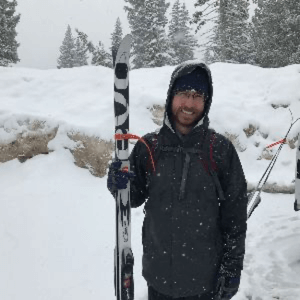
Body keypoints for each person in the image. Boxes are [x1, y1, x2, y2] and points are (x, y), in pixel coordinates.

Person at [108, 62, 248, 300]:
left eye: (197, 96)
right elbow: (134, 197)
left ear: (207, 101)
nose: (190, 104)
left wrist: (232, 268)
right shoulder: (149, 147)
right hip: (158, 278)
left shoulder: (220, 150)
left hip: (205, 282)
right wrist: (118, 183)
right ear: (171, 96)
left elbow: (235, 217)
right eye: (183, 94)